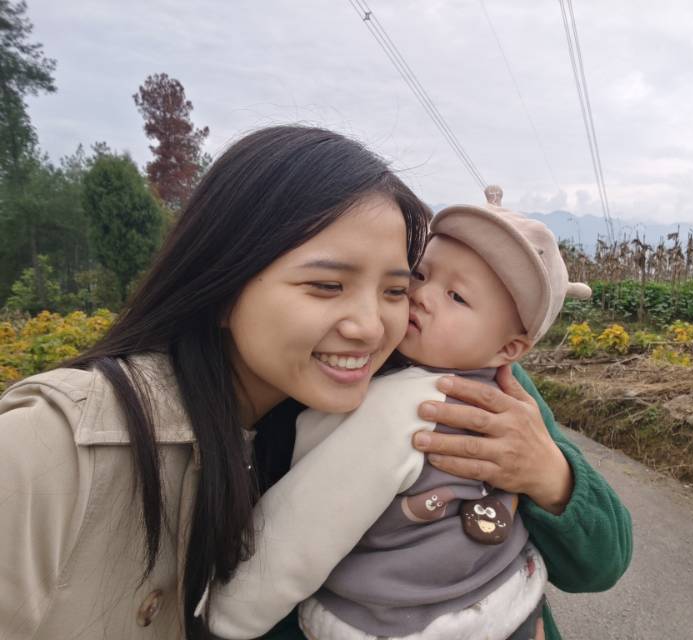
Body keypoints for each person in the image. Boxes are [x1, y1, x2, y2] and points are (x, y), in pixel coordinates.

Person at [0, 126, 630, 640]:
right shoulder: (51, 451)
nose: (372, 324)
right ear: (222, 283)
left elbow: (602, 563)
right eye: (327, 285)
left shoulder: (481, 390)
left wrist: (550, 474)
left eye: (393, 288)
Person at [203, 187, 603, 640]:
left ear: (508, 350)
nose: (421, 296)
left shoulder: (473, 401)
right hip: (500, 604)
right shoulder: (414, 388)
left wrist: (551, 474)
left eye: (457, 297)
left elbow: (300, 532)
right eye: (417, 277)